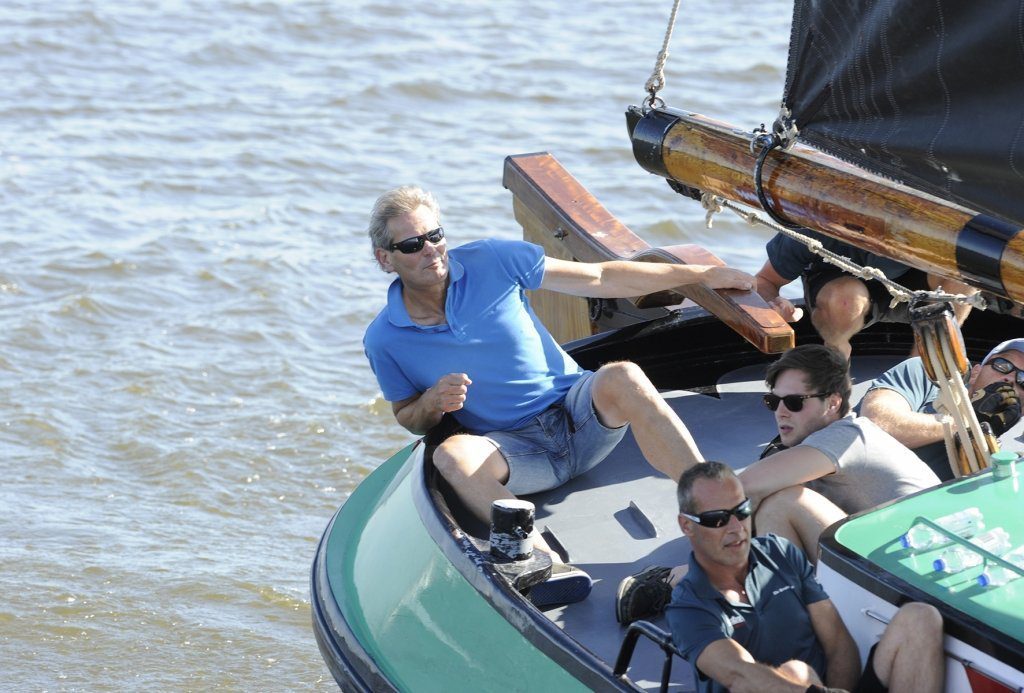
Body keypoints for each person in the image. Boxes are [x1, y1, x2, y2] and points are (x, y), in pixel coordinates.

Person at [362, 185, 756, 606]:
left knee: (622, 374)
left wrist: (699, 277)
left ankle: (715, 509)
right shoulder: (384, 339)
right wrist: (432, 402)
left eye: (435, 235)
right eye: (412, 244)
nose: (431, 250)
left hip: (578, 418)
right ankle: (547, 564)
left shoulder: (493, 259)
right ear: (385, 259)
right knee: (449, 456)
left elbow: (602, 277)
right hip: (516, 454)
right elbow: (407, 415)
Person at [615, 344, 939, 624]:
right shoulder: (827, 440)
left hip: (909, 578)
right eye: (774, 402)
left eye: (795, 403)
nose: (781, 412)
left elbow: (743, 489)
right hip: (895, 570)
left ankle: (779, 616)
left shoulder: (846, 437)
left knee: (785, 502)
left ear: (833, 403)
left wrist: (686, 569)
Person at [664, 462, 945, 693]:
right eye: (718, 519)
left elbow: (837, 642)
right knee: (796, 672)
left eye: (742, 511)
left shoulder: (780, 553)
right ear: (687, 525)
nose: (736, 527)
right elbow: (742, 677)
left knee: (921, 617)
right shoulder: (688, 608)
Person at [755, 230, 976, 358]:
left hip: (908, 284)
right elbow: (766, 280)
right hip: (835, 283)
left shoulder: (926, 225)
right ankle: (836, 362)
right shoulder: (813, 223)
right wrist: (774, 307)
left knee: (967, 271)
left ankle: (925, 367)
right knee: (846, 299)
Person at [859, 338, 1023, 481]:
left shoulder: (1006, 468)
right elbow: (874, 422)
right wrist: (968, 421)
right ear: (975, 372)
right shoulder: (931, 375)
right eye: (1003, 365)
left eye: (1023, 380)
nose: (1010, 379)